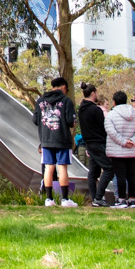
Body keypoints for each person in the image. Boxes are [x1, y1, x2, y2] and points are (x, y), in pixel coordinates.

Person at [35, 77, 79, 207]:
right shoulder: (66, 101)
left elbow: (35, 120)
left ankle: (49, 199)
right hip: (62, 140)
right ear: (63, 87)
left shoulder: (40, 101)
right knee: (62, 167)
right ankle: (65, 199)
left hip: (46, 140)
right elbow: (71, 121)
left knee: (48, 168)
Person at [104, 91, 135, 207]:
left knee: (120, 175)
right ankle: (132, 199)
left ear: (114, 102)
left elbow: (110, 131)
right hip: (132, 149)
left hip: (117, 150)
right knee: (131, 175)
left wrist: (123, 142)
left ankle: (121, 199)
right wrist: (133, 141)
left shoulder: (111, 114)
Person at [77, 83, 108, 205]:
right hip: (98, 142)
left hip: (88, 143)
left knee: (93, 171)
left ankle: (95, 197)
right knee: (109, 168)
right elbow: (102, 127)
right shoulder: (95, 110)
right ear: (93, 93)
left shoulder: (81, 109)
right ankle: (99, 196)